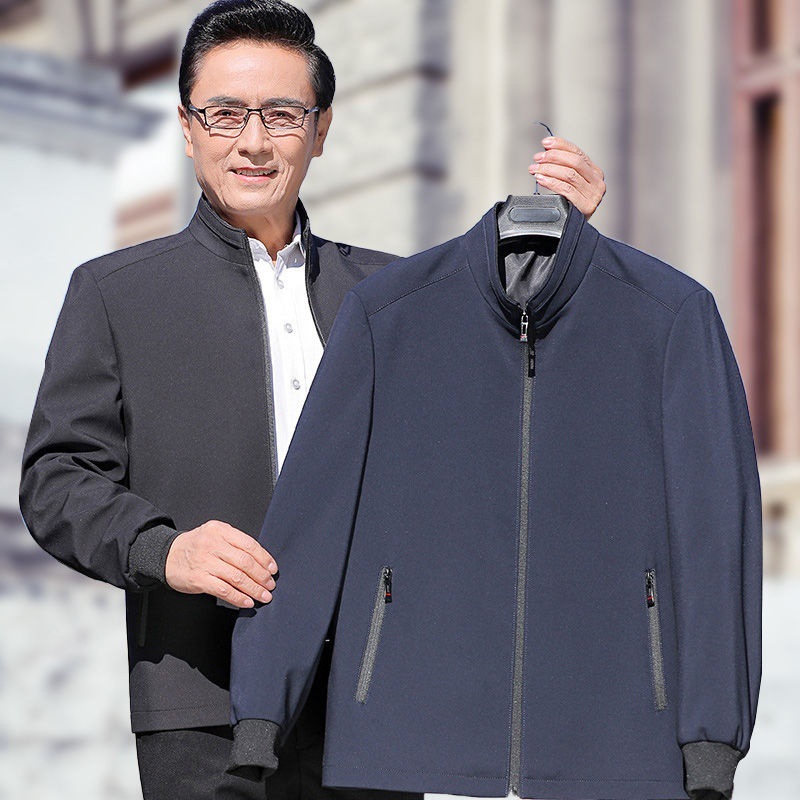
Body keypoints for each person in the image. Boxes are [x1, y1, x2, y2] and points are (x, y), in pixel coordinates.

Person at [18, 1, 606, 798]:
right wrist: (165, 549)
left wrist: (567, 255)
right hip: (204, 701)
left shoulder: (399, 291)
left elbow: (513, 420)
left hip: (374, 702)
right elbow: (57, 480)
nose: (253, 141)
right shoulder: (115, 293)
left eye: (282, 114)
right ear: (187, 127)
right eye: (225, 114)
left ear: (320, 130)